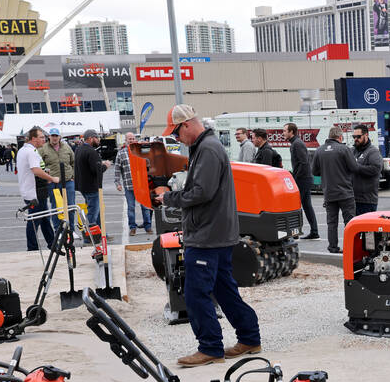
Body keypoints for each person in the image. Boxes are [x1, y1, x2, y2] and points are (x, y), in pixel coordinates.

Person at [156, 105, 261, 368]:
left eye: (176, 133)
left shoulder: (208, 150)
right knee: (224, 290)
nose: (176, 139)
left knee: (195, 293)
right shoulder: (205, 147)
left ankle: (210, 347)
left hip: (207, 235)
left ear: (187, 125)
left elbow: (201, 192)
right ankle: (249, 338)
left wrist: (169, 198)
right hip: (216, 232)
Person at [313, 125, 373, 253]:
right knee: (350, 222)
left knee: (332, 223)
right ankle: (351, 248)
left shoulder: (319, 150)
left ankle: (333, 247)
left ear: (329, 137)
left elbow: (315, 171)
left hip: (329, 193)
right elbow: (355, 168)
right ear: (340, 137)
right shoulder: (344, 149)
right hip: (345, 192)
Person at [17, 126, 61, 251]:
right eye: (41, 137)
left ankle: (53, 244)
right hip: (34, 192)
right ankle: (32, 248)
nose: (44, 139)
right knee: (34, 220)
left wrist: (45, 173)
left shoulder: (24, 150)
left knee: (44, 218)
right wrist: (52, 178)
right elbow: (35, 170)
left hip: (35, 189)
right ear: (34, 138)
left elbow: (36, 169)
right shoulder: (30, 152)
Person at [284, 122, 318, 239]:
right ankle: (314, 231)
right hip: (303, 178)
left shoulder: (297, 144)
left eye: (285, 131)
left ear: (291, 132)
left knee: (296, 206)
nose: (283, 133)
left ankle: (296, 232)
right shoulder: (295, 143)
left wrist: (296, 178)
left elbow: (303, 162)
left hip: (302, 179)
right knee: (307, 206)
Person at [115, 132, 151, 236]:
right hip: (129, 185)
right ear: (126, 140)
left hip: (141, 185)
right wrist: (117, 183)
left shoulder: (141, 151)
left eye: (133, 138)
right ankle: (132, 227)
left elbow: (150, 161)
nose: (131, 140)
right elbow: (117, 169)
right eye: (129, 139)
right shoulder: (121, 153)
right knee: (131, 208)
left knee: (145, 207)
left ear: (135, 139)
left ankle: (147, 226)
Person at [39, 129, 77, 227]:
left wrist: (73, 176)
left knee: (71, 207)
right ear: (49, 137)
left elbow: (74, 162)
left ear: (60, 137)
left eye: (56, 136)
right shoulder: (43, 148)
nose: (55, 138)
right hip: (53, 183)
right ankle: (58, 231)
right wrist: (46, 178)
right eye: (53, 136)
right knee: (56, 208)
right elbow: (39, 165)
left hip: (68, 182)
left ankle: (71, 230)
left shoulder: (67, 147)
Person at [73, 129, 108, 231]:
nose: (98, 140)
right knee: (93, 213)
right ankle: (89, 236)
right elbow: (96, 170)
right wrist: (105, 165)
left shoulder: (79, 149)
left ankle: (100, 232)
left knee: (97, 212)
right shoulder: (91, 151)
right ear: (90, 138)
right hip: (92, 187)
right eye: (96, 138)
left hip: (83, 186)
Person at [350, 124, 382, 214]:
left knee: (365, 228)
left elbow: (375, 169)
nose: (356, 139)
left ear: (366, 135)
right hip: (351, 198)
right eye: (354, 136)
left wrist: (356, 167)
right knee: (352, 227)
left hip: (366, 200)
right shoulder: (352, 151)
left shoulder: (373, 151)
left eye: (358, 136)